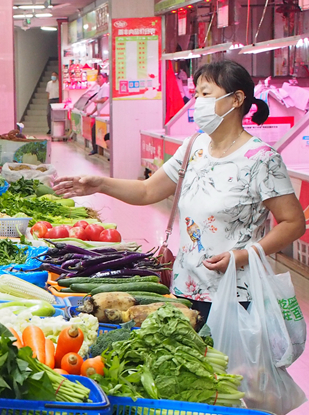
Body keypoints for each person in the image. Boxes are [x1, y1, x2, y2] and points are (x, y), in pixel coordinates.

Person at [53, 60, 305, 321]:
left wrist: (244, 255)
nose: (198, 102)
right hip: (187, 287)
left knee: (232, 363)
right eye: (196, 94)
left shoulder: (261, 159)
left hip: (237, 293)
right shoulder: (193, 147)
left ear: (236, 99)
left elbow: (293, 222)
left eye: (206, 94)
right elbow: (147, 191)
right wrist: (100, 184)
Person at [87, 73, 109, 155]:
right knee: (95, 130)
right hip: (100, 114)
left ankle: (96, 149)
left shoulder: (106, 87)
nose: (98, 79)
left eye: (100, 77)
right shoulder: (100, 88)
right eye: (97, 77)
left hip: (104, 114)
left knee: (95, 130)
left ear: (105, 78)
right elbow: (99, 104)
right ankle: (95, 148)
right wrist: (92, 112)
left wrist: (96, 101)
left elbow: (104, 99)